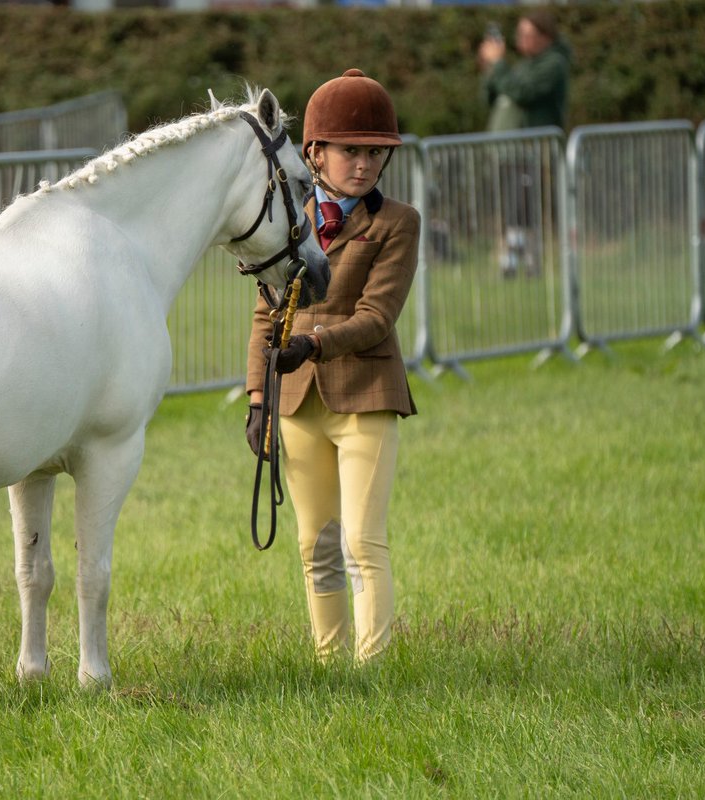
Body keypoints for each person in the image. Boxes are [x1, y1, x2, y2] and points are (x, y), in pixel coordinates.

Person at [244, 69, 420, 664]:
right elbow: (265, 317)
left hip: (366, 394)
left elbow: (377, 316)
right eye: (351, 151)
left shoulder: (397, 222)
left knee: (361, 542)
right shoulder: (289, 221)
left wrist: (314, 345)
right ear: (315, 152)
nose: (364, 164)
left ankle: (372, 668)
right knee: (313, 543)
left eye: (375, 152)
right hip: (296, 402)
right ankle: (329, 663)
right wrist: (257, 400)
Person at [479, 11, 574, 276]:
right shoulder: (523, 65)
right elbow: (492, 96)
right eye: (519, 33)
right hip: (508, 152)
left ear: (545, 36)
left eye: (527, 34)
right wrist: (489, 67)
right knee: (512, 209)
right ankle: (515, 261)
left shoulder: (553, 64)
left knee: (523, 209)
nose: (521, 39)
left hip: (532, 152)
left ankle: (523, 264)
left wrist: (499, 65)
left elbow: (523, 92)